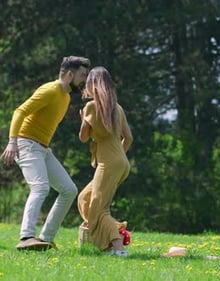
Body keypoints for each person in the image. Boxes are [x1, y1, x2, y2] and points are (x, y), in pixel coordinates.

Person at [1, 56, 91, 250]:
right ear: (69, 74)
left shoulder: (65, 97)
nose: (85, 80)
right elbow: (19, 111)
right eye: (82, 75)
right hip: (26, 144)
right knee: (40, 187)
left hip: (42, 148)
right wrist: (12, 142)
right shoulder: (50, 90)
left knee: (69, 190)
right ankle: (26, 237)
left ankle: (45, 239)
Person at [77, 66, 133, 257]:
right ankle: (113, 229)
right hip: (121, 163)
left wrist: (83, 120)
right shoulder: (118, 108)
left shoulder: (91, 107)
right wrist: (119, 157)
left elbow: (83, 138)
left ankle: (118, 248)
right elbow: (129, 138)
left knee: (99, 209)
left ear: (93, 84)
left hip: (108, 164)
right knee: (85, 198)